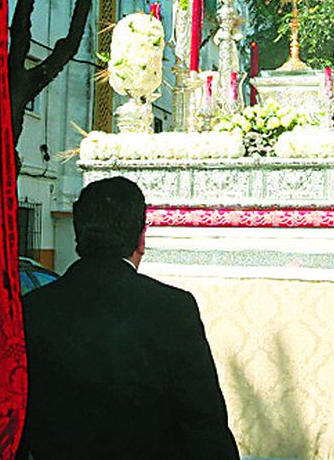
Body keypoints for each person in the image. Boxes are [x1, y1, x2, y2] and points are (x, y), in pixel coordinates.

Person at [20, 176, 237, 459]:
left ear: (78, 236)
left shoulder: (33, 308)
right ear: (141, 238)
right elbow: (203, 423)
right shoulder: (172, 308)